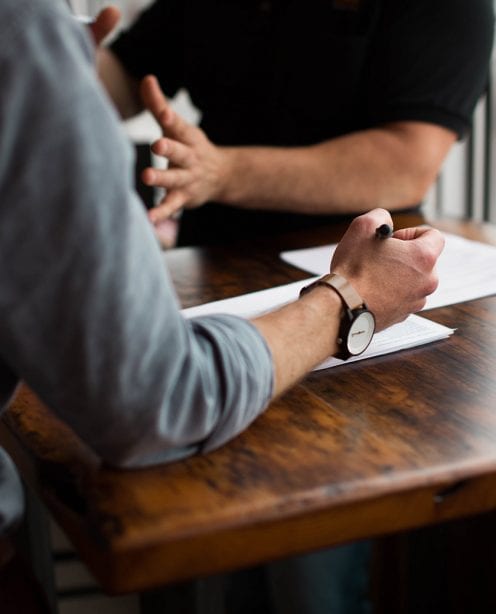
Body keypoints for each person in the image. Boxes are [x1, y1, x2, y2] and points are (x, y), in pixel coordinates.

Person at [0, 1, 444, 612]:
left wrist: (58, 73)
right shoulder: (24, 32)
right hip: (220, 295)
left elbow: (409, 161)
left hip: (361, 332)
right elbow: (124, 76)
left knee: (305, 568)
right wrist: (59, 75)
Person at [97, 0, 494, 246]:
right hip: (211, 255)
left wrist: (221, 172)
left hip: (354, 267)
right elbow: (129, 75)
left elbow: (406, 164)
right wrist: (57, 66)